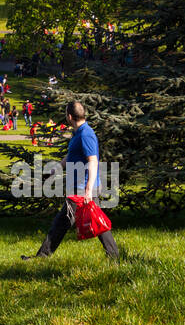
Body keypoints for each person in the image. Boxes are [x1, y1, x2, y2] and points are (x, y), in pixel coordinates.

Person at [23, 101, 119, 261]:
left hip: (82, 189)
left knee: (62, 222)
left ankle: (42, 257)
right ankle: (114, 255)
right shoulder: (78, 133)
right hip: (81, 187)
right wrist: (53, 171)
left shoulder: (85, 134)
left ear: (69, 116)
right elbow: (71, 156)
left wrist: (88, 190)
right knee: (94, 219)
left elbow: (93, 161)